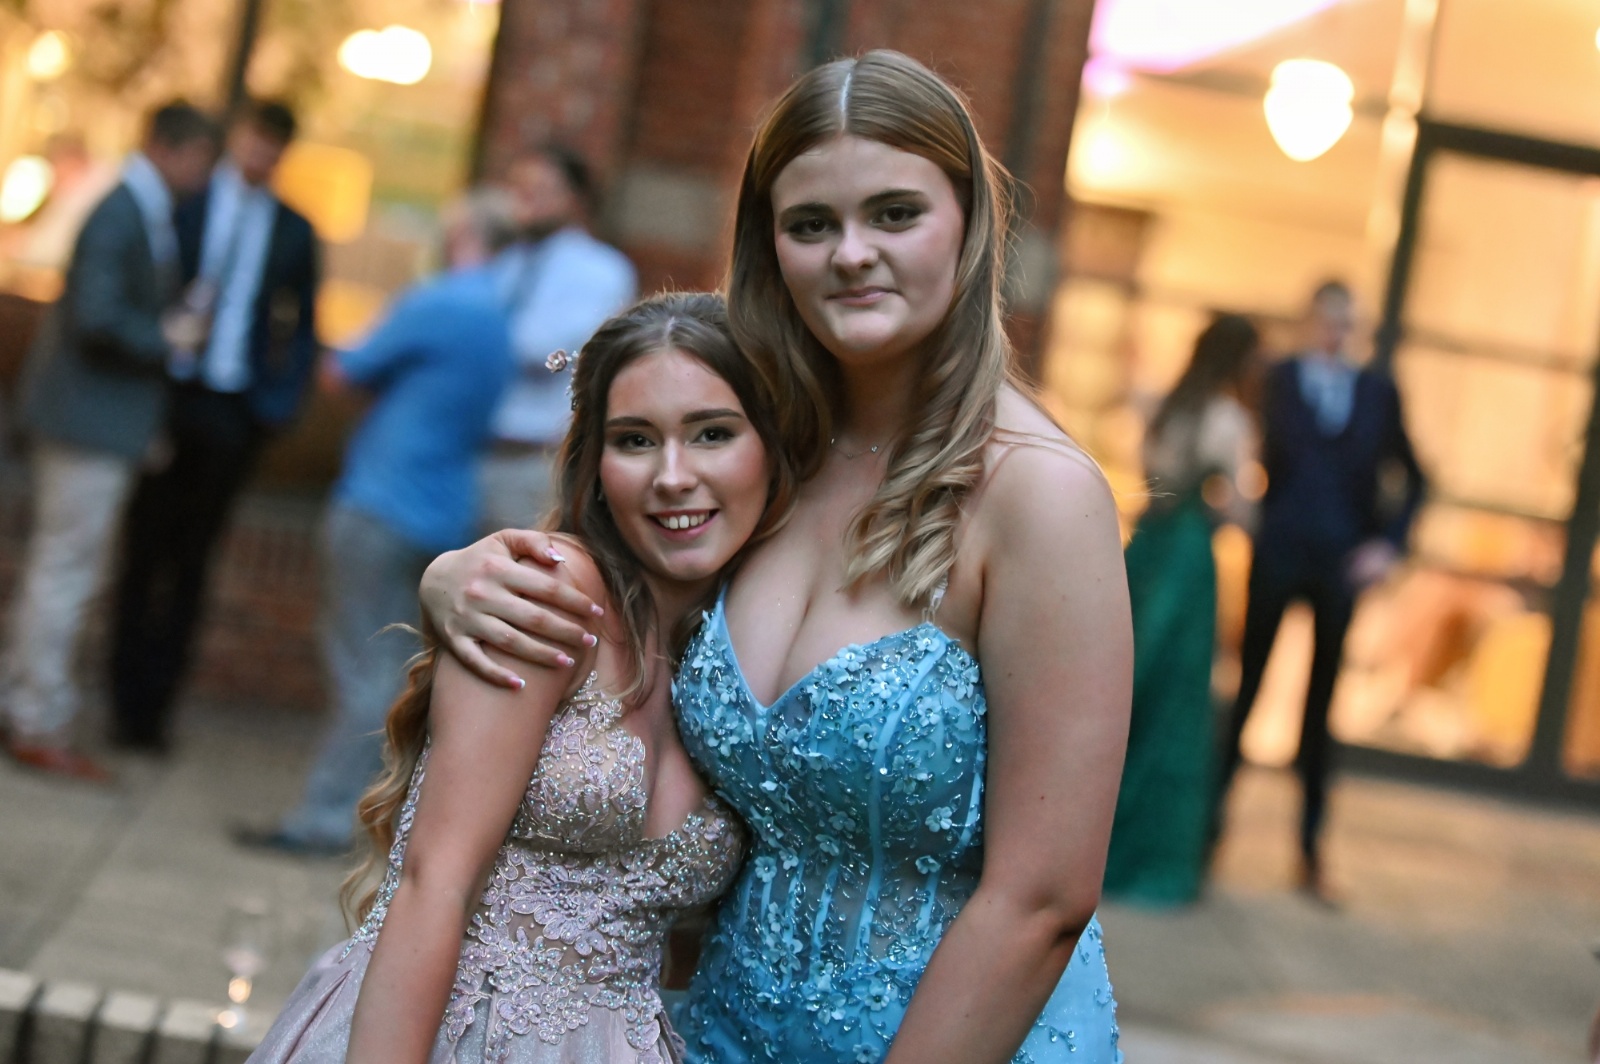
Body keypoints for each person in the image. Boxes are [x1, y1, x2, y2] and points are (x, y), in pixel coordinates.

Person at [422, 50, 1130, 1064]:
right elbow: (621, 591)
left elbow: (1042, 899)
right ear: (770, 246)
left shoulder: (1040, 496)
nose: (852, 254)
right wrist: (459, 574)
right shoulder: (766, 449)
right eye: (811, 224)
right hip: (716, 1032)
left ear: (970, 223)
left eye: (895, 214)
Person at [247, 292, 763, 1063]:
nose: (672, 476)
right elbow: (435, 884)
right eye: (634, 440)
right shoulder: (547, 597)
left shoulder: (739, 654)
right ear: (595, 465)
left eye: (712, 434)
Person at [235, 189, 520, 856]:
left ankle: (327, 816)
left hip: (382, 500)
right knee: (394, 666)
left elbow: (341, 372)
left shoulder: (439, 301)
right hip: (444, 510)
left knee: (365, 667)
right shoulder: (499, 322)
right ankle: (375, 813)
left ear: (461, 236)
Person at [0, 102, 219, 780]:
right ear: (169, 148)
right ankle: (37, 719)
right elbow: (97, 319)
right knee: (65, 574)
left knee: (59, 570)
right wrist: (168, 338)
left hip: (96, 423)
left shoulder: (137, 208)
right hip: (84, 424)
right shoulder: (121, 209)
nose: (204, 175)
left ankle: (22, 704)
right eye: (201, 159)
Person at [109, 98, 319, 752]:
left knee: (195, 561)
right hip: (169, 395)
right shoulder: (187, 202)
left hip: (234, 407)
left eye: (274, 147)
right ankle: (121, 698)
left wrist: (275, 405)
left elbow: (302, 326)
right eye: (256, 140)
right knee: (144, 549)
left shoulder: (293, 230)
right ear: (238, 138)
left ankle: (157, 708)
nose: (262, 155)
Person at [1213, 280, 1425, 899]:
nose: (1337, 332)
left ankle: (1309, 850)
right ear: (1309, 320)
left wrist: (1386, 545)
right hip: (1278, 556)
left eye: (1347, 322)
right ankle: (1209, 833)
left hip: (1339, 565)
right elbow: (1240, 446)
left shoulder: (1378, 392)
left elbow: (1414, 477)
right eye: (1329, 319)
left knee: (1321, 707)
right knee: (1248, 690)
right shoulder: (1276, 380)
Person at [1102, 314, 1260, 907]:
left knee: (1126, 687)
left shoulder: (1162, 405)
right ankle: (1152, 854)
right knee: (1176, 704)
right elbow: (1242, 510)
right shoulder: (1228, 420)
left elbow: (1151, 480)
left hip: (1147, 550)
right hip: (1190, 559)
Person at [480, 145, 637, 532]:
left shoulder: (601, 269)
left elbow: (548, 351)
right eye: (518, 188)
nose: (524, 199)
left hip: (534, 458)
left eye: (540, 189)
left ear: (575, 198)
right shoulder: (508, 261)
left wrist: (476, 339)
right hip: (477, 452)